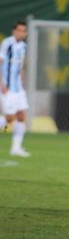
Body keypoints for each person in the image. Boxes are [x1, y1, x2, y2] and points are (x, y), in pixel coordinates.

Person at [0, 21, 30, 157]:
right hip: (7, 87)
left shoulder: (24, 46)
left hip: (18, 88)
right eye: (19, 30)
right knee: (10, 118)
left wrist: (22, 81)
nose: (21, 33)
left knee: (22, 116)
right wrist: (1, 83)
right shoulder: (7, 44)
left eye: (24, 31)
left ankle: (16, 148)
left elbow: (20, 66)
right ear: (14, 31)